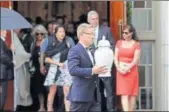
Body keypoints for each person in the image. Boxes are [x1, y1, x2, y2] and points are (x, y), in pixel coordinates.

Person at [67, 23, 107, 111]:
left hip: (95, 96)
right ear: (81, 35)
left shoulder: (93, 50)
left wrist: (101, 70)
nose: (93, 37)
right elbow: (73, 70)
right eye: (90, 34)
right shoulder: (75, 50)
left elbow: (95, 69)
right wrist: (92, 70)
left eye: (94, 34)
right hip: (81, 96)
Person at [87, 10, 115, 111]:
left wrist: (106, 56)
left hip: (105, 65)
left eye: (97, 19)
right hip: (92, 66)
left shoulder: (106, 30)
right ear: (89, 21)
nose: (95, 21)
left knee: (109, 90)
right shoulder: (86, 32)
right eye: (93, 19)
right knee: (97, 90)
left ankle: (110, 109)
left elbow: (112, 45)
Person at [44, 25, 75, 111]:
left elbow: (73, 55)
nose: (62, 33)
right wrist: (57, 63)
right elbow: (46, 59)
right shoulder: (51, 42)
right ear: (56, 33)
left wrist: (70, 48)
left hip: (65, 69)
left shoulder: (68, 41)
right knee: (52, 91)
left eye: (63, 32)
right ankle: (50, 109)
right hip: (53, 68)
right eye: (60, 32)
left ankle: (68, 110)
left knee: (67, 90)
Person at [114, 24, 141, 111]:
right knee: (124, 94)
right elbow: (115, 57)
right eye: (123, 33)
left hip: (131, 71)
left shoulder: (136, 44)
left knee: (132, 95)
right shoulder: (119, 43)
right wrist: (118, 68)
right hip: (121, 71)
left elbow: (136, 59)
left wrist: (127, 67)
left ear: (131, 33)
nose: (124, 35)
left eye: (126, 33)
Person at [30, 24, 48, 111]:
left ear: (44, 34)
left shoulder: (46, 42)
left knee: (47, 89)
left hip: (46, 69)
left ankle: (48, 106)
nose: (39, 35)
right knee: (39, 89)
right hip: (36, 69)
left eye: (41, 33)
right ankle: (41, 106)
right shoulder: (33, 43)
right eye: (37, 34)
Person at [0, 29, 14, 110]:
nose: (5, 32)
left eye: (5, 30)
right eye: (3, 30)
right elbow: (2, 56)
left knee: (3, 94)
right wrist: (12, 63)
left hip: (2, 71)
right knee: (3, 94)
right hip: (2, 72)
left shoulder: (2, 41)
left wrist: (10, 50)